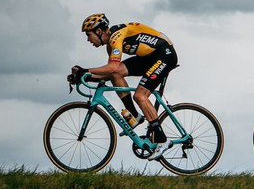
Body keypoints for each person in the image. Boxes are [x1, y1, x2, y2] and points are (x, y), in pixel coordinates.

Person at [69, 13, 178, 160]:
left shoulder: (116, 37)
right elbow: (111, 72)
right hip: (150, 57)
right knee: (116, 74)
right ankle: (135, 115)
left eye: (89, 35)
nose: (88, 40)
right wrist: (85, 77)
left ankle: (163, 140)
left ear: (99, 31)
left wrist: (86, 71)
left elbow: (111, 67)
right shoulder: (111, 44)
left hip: (164, 54)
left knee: (140, 96)